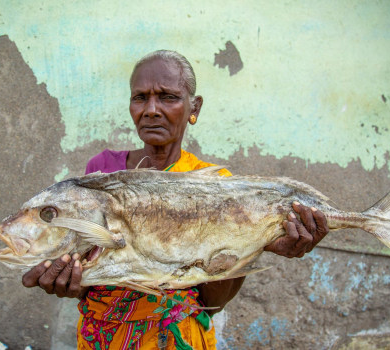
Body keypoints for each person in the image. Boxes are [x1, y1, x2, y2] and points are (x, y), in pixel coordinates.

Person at [22, 50, 329, 349]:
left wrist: (253, 243)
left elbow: (213, 302)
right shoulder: (102, 173)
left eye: (168, 97)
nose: (151, 109)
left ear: (194, 107)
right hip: (103, 336)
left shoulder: (216, 187)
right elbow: (96, 271)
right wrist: (67, 280)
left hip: (176, 339)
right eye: (140, 97)